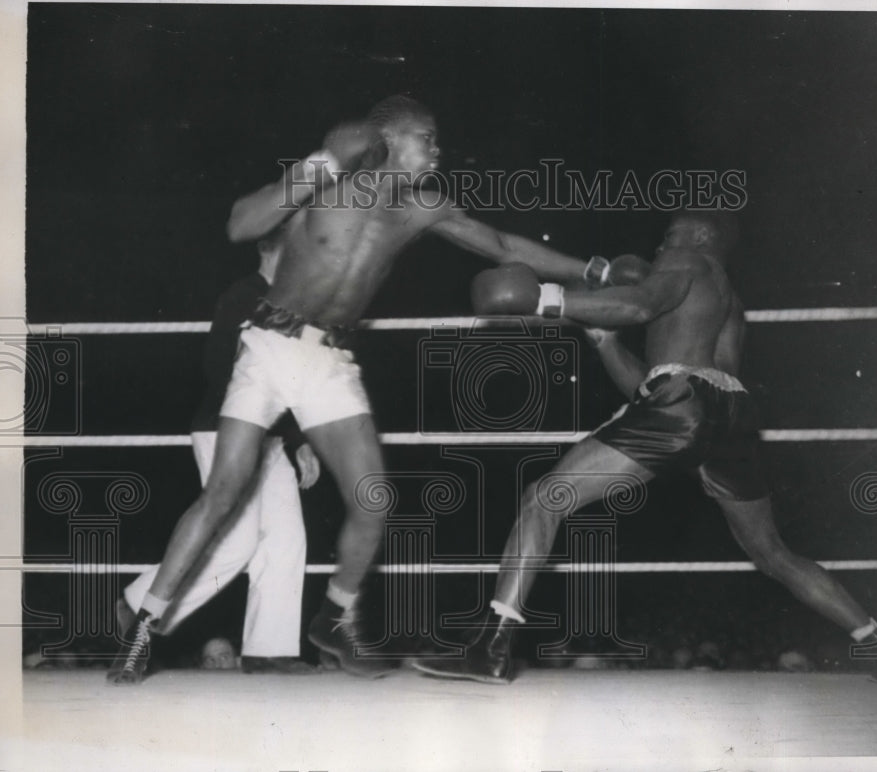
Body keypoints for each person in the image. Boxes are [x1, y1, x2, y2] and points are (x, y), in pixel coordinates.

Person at [109, 94, 604, 684]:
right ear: (390, 139)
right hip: (267, 348)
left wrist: (592, 271)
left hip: (330, 360)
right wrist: (317, 161)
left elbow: (502, 246)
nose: (438, 149)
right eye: (427, 136)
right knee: (223, 493)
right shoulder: (328, 185)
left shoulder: (423, 209)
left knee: (375, 502)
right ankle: (143, 627)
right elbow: (241, 224)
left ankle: (334, 618)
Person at [412, 211, 877, 683]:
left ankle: (492, 648)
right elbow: (656, 388)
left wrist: (547, 299)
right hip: (730, 415)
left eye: (671, 235)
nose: (661, 245)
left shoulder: (686, 263)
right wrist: (606, 343)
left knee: (545, 498)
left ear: (701, 238)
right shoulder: (726, 299)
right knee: (771, 552)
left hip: (685, 405)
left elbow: (641, 310)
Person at [114, 228, 319, 678]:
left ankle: (270, 649)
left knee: (287, 538)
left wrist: (298, 438)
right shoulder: (242, 297)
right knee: (237, 540)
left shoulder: (292, 299)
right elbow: (220, 370)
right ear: (272, 249)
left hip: (271, 435)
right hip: (227, 429)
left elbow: (292, 381)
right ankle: (139, 604)